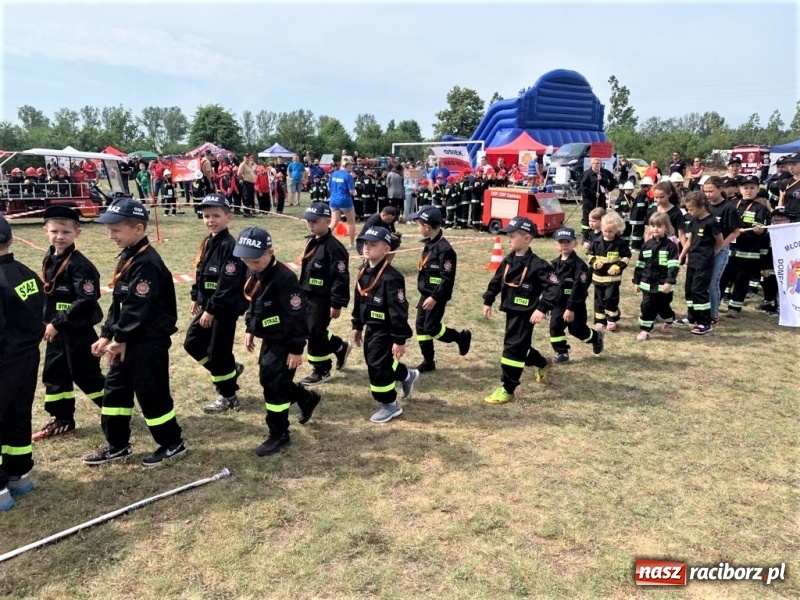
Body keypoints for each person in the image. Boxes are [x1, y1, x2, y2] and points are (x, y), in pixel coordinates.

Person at [86, 198, 187, 467]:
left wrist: (120, 338)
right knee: (115, 392)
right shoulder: (129, 256)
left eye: (116, 230)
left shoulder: (146, 263)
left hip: (146, 342)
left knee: (151, 393)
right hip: (126, 339)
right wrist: (107, 334)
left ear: (139, 229)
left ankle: (172, 443)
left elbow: (137, 308)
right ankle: (117, 444)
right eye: (110, 230)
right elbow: (120, 302)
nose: (111, 236)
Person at [235, 227, 321, 456]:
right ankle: (306, 398)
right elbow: (254, 303)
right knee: (270, 380)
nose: (250, 265)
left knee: (274, 387)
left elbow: (297, 316)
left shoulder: (284, 279)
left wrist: (296, 349)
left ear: (270, 252)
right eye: (245, 260)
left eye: (255, 261)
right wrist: (250, 328)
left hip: (285, 340)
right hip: (270, 338)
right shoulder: (256, 272)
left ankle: (279, 433)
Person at [33, 207, 104, 442]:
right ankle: (62, 419)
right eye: (54, 231)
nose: (60, 236)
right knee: (54, 374)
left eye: (66, 232)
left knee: (86, 375)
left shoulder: (80, 265)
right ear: (45, 231)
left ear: (77, 233)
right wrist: (47, 321)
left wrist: (59, 323)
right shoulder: (49, 257)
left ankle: (115, 408)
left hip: (77, 330)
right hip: (56, 330)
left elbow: (85, 300)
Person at [482, 217, 559, 404]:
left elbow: (554, 287)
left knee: (513, 349)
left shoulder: (538, 265)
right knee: (518, 346)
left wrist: (542, 308)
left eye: (512, 236)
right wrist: (488, 299)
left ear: (526, 239)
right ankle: (542, 363)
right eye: (508, 235)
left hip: (526, 314)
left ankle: (508, 389)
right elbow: (496, 281)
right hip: (511, 311)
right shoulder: (508, 260)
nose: (508, 239)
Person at [182, 194, 248, 413]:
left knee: (219, 352)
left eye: (216, 216)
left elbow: (227, 284)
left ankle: (228, 395)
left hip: (223, 309)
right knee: (192, 343)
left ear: (228, 217)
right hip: (208, 306)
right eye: (206, 216)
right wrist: (196, 296)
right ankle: (230, 371)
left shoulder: (230, 246)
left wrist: (210, 309)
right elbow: (201, 272)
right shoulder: (209, 241)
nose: (211, 220)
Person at [0, 217, 45, 511]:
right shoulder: (26, 274)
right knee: (18, 414)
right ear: (12, 239)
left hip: (4, 359)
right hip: (27, 357)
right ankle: (19, 475)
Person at [351, 226, 418, 423]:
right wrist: (357, 325)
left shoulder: (392, 277)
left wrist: (399, 339)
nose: (367, 247)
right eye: (365, 243)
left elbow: (399, 311)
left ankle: (390, 404)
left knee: (377, 366)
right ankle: (407, 375)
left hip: (386, 330)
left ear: (386, 249)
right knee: (377, 361)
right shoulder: (363, 271)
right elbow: (359, 300)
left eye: (373, 244)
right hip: (371, 328)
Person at [409, 206, 472, 373]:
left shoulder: (445, 250)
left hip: (437, 295)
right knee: (421, 327)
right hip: (426, 293)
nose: (417, 227)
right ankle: (428, 361)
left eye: (419, 224)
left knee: (431, 327)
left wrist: (435, 297)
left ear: (427, 226)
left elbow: (447, 278)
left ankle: (460, 337)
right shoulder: (429, 244)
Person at [298, 203, 353, 386]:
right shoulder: (312, 241)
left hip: (323, 298)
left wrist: (336, 303)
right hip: (307, 295)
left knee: (315, 333)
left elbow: (340, 278)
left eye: (314, 221)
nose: (310, 225)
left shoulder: (334, 248)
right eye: (308, 221)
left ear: (328, 221)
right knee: (310, 329)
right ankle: (339, 346)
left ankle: (321, 370)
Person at [548, 227, 604, 363]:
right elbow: (549, 286)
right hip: (558, 304)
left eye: (568, 241)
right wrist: (546, 304)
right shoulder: (554, 265)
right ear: (555, 244)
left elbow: (579, 289)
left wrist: (571, 308)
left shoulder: (580, 266)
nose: (564, 244)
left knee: (577, 331)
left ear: (575, 243)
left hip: (575, 305)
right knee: (555, 327)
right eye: (561, 242)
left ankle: (596, 337)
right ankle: (562, 353)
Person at [677, 192, 723, 335]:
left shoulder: (711, 222)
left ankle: (705, 322)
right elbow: (690, 240)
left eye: (691, 209)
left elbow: (720, 241)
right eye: (688, 209)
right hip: (693, 260)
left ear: (702, 206)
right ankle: (692, 317)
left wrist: (710, 254)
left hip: (704, 262)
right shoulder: (693, 221)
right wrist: (682, 255)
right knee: (689, 290)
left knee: (699, 291)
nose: (689, 212)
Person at [725, 175, 770, 318]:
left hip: (748, 251)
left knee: (741, 280)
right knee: (724, 277)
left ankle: (735, 308)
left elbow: (760, 227)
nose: (748, 191)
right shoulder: (732, 204)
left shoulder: (760, 208)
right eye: (745, 188)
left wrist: (758, 230)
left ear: (757, 190)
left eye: (752, 188)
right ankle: (717, 303)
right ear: (740, 189)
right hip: (730, 249)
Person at [632, 212, 680, 340]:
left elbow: (673, 266)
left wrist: (669, 282)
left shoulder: (671, 246)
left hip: (663, 286)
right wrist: (636, 281)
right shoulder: (646, 245)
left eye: (659, 226)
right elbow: (640, 265)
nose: (655, 229)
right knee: (646, 306)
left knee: (663, 308)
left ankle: (669, 319)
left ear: (666, 227)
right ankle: (645, 330)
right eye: (653, 226)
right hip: (647, 284)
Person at [704, 175, 740, 323]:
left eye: (710, 191)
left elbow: (736, 232)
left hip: (721, 250)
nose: (707, 194)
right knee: (702, 282)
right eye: (705, 191)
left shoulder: (728, 208)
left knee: (713, 283)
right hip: (705, 249)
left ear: (720, 189)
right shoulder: (706, 206)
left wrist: (721, 245)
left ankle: (713, 314)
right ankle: (701, 311)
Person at [588, 211, 631, 331]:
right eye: (605, 231)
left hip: (613, 278)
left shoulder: (620, 243)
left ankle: (611, 319)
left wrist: (617, 267)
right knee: (599, 299)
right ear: (601, 228)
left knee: (610, 298)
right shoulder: (596, 241)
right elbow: (590, 255)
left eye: (611, 231)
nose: (607, 233)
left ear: (617, 230)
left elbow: (626, 257)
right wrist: (595, 262)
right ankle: (600, 320)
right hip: (598, 278)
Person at [579, 158, 617, 243]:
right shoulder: (587, 174)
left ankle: (600, 235)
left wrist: (604, 183)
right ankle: (586, 237)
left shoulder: (604, 173)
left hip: (601, 200)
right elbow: (583, 187)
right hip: (589, 200)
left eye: (599, 163)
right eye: (595, 163)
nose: (597, 165)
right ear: (591, 164)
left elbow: (612, 182)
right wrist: (593, 193)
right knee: (587, 218)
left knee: (601, 217)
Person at [329, 158, 357, 248]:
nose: (352, 168)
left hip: (333, 200)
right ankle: (352, 243)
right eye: (351, 166)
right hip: (344, 201)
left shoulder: (334, 174)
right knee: (351, 222)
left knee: (333, 222)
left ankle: (324, 239)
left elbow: (330, 188)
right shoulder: (348, 176)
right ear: (347, 166)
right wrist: (355, 192)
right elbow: (351, 191)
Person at [777, 152, 800, 220]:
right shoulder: (785, 182)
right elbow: (781, 202)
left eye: (794, 164)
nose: (791, 167)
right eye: (789, 164)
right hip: (787, 219)